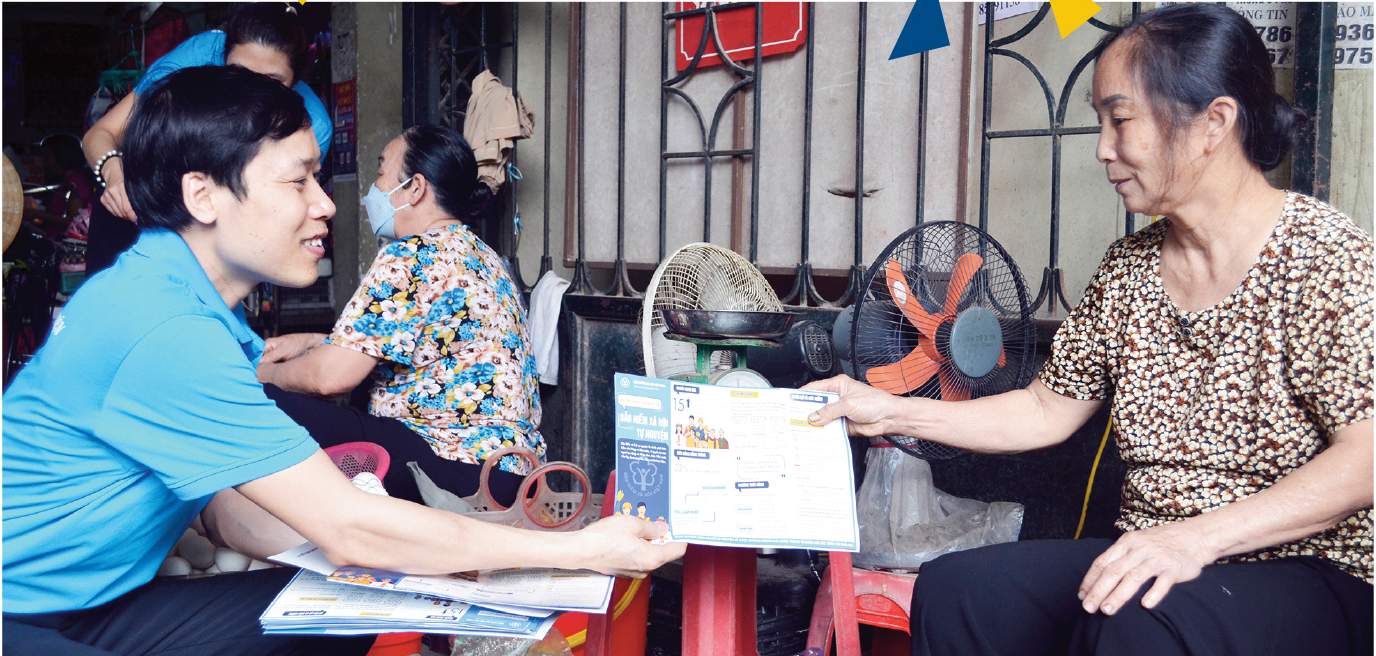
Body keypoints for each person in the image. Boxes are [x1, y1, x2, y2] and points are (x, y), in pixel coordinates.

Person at [2, 66, 684, 655]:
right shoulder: (164, 328)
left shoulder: (189, 305)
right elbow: (346, 522)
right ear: (203, 194)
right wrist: (578, 551)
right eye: (298, 182)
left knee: (335, 611)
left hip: (95, 608)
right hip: (16, 616)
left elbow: (223, 512)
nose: (325, 204)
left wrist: (411, 559)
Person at [805, 5, 1372, 655]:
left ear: (1213, 122)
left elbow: (1364, 460)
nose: (1103, 147)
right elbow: (1045, 409)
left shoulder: (1327, 257)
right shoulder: (1129, 269)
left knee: (1132, 620)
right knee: (959, 591)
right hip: (1154, 555)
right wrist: (891, 410)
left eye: (1121, 119)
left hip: (1307, 572)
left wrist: (1195, 538)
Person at [253, 124, 539, 507]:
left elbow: (330, 378)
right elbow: (428, 349)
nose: (374, 188)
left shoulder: (413, 255)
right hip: (509, 473)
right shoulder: (484, 256)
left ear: (415, 188)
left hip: (448, 466)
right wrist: (312, 342)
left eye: (381, 172)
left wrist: (260, 376)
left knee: (260, 402)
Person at [81, 2, 332, 276]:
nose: (250, 89)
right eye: (239, 72)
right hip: (134, 205)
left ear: (296, 81)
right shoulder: (198, 56)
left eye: (271, 81)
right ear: (222, 57)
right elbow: (100, 134)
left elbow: (274, 215)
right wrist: (116, 175)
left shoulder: (313, 126)